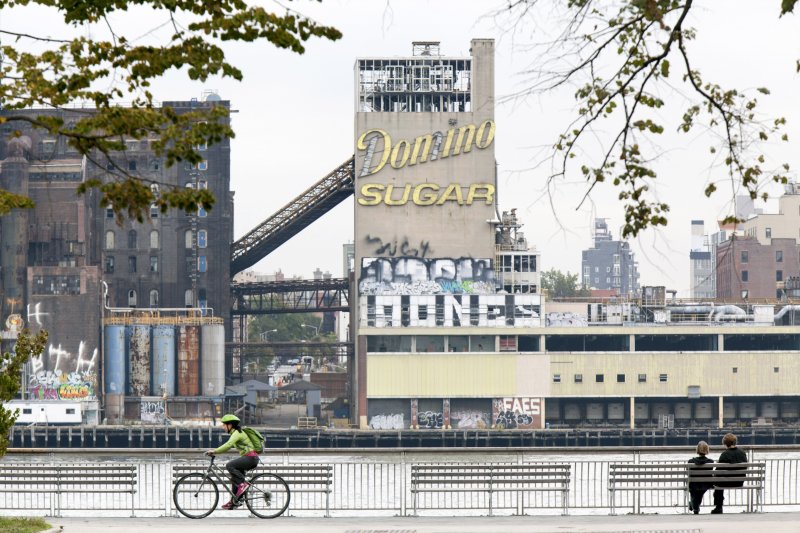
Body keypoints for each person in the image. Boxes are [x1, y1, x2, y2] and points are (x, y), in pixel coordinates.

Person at [205, 414, 259, 510]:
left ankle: (243, 485)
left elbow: (228, 445)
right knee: (235, 480)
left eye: (224, 425)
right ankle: (234, 502)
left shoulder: (237, 433)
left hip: (251, 458)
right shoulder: (236, 433)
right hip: (249, 458)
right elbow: (228, 445)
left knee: (230, 465)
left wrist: (214, 451)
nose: (223, 427)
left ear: (230, 425)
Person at [711, 432, 748, 514]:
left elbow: (718, 470)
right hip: (739, 482)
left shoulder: (725, 454)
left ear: (725, 443)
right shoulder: (742, 453)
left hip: (725, 482)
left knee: (718, 483)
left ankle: (718, 507)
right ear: (735, 442)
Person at [687, 440, 714, 514]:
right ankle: (695, 506)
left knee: (694, 490)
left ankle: (694, 506)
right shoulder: (710, 462)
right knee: (699, 491)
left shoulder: (690, 461)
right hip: (705, 484)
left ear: (697, 450)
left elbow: (688, 474)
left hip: (693, 484)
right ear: (707, 450)